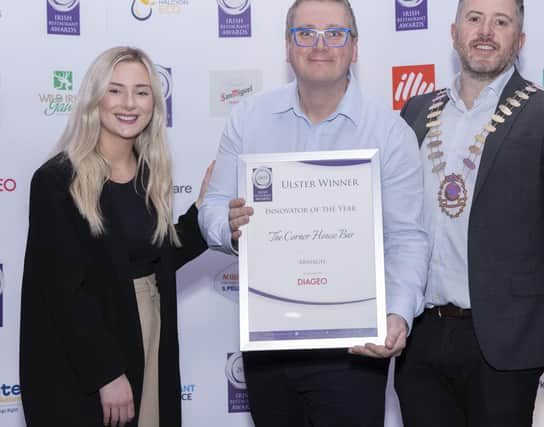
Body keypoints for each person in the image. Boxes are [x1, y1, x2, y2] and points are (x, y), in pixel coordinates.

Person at [197, 0, 428, 425]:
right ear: (287, 46)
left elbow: (407, 238)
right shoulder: (248, 119)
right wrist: (225, 226)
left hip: (355, 349)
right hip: (269, 339)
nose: (320, 44)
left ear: (354, 48)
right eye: (305, 33)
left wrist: (396, 313)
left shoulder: (389, 133)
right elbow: (211, 207)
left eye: (335, 33)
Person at [394, 0, 544, 426]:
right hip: (419, 336)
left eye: (501, 22)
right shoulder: (415, 113)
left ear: (520, 40)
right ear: (454, 33)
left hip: (505, 339)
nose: (486, 31)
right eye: (474, 19)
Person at [20, 46, 212, 427]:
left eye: (142, 92)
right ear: (95, 98)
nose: (129, 103)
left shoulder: (148, 176)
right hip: (88, 349)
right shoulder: (57, 180)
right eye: (116, 90)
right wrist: (106, 372)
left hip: (149, 331)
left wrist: (206, 214)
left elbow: (155, 258)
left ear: (155, 104)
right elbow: (64, 291)